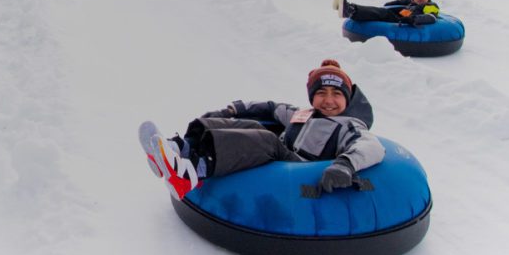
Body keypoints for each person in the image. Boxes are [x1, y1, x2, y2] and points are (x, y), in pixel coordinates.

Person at [139, 59, 385, 199]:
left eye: (336, 94)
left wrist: (345, 165)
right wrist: (232, 110)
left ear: (347, 98)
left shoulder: (350, 125)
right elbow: (271, 108)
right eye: (321, 93)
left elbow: (371, 146)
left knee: (267, 140)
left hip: (304, 170)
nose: (328, 100)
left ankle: (189, 173)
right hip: (284, 156)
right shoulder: (303, 114)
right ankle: (178, 149)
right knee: (251, 125)